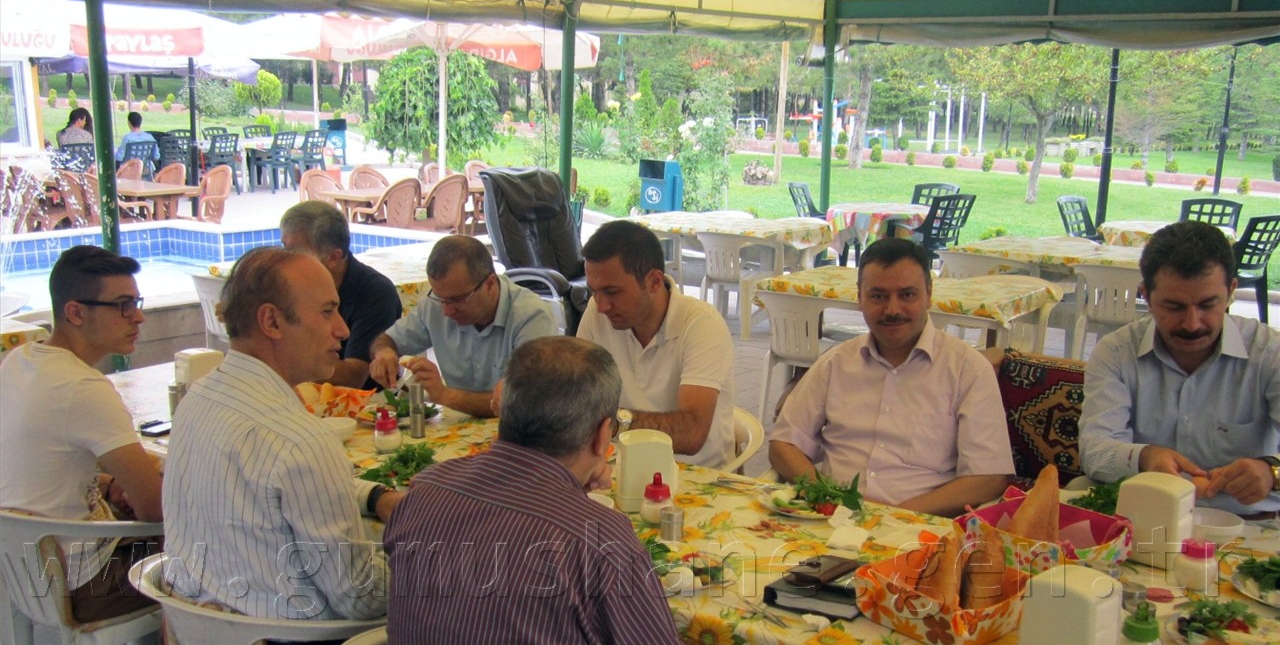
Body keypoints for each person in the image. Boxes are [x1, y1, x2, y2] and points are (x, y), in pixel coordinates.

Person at [384, 336, 700, 645]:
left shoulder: (426, 491)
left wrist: (571, 488)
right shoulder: (598, 538)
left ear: (504, 410)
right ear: (603, 436)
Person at [163, 247, 401, 645]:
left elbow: (269, 485)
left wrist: (372, 496)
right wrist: (424, 561)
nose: (344, 330)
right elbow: (359, 598)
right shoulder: (300, 439)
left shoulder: (199, 399)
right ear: (272, 321)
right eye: (327, 312)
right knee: (464, 628)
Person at [0, 246, 182, 645]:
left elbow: (41, 461)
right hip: (78, 583)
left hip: (19, 565)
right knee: (199, 541)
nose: (137, 317)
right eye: (122, 305)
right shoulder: (84, 388)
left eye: (136, 302)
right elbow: (155, 508)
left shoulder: (19, 361)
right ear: (75, 312)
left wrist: (105, 483)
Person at [769, 237, 1012, 517]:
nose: (893, 309)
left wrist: (894, 517)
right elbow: (783, 444)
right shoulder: (836, 363)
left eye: (907, 295)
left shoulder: (968, 371)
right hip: (830, 519)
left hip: (919, 526)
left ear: (929, 294)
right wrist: (827, 497)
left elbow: (989, 477)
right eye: (878, 296)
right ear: (860, 298)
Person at [1080, 221, 1280, 517]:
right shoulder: (1116, 352)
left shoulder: (1269, 353)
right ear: (1146, 295)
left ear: (1231, 291)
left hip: (1250, 521)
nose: (1192, 324)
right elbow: (1094, 450)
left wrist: (1271, 471)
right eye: (1174, 307)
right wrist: (1144, 457)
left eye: (1207, 305)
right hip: (1146, 516)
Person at [577, 219, 736, 468]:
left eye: (612, 292)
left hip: (694, 474)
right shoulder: (597, 313)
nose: (601, 305)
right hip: (620, 465)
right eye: (593, 291)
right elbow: (577, 395)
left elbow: (691, 433)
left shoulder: (703, 325)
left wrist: (610, 423)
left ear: (653, 281)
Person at [368, 235, 557, 417]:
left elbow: (525, 401)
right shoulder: (435, 304)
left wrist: (444, 395)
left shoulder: (531, 316)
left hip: (515, 431)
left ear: (490, 284)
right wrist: (384, 352)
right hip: (459, 426)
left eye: (457, 300)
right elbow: (387, 339)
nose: (447, 311)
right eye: (440, 298)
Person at [280, 201, 401, 389]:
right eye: (284, 248)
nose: (285, 260)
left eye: (295, 253)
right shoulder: (294, 285)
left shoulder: (376, 292)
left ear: (333, 258)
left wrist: (281, 359)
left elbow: (354, 376)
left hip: (364, 402)